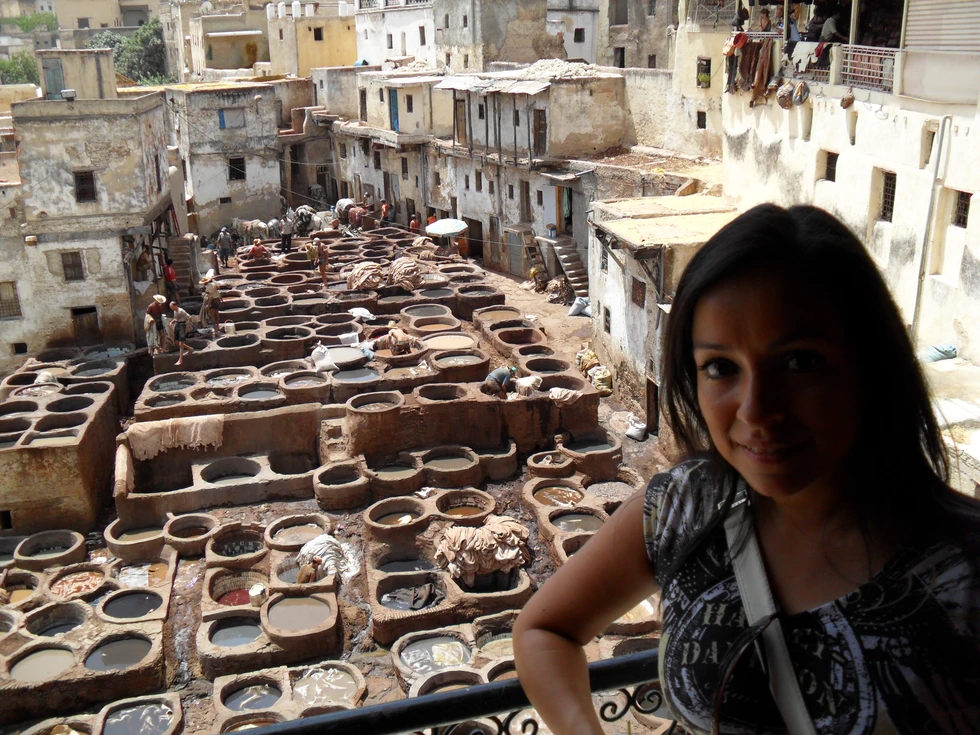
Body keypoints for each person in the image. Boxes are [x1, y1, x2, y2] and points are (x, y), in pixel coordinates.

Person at [513, 204, 980, 735]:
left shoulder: (964, 572)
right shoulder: (683, 510)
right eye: (721, 368)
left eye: (799, 362)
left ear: (870, 364)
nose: (757, 410)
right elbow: (543, 630)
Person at [169, 301, 195, 366]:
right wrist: (172, 322)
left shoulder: (181, 311)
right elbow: (176, 318)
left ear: (175, 306)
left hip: (182, 325)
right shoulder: (175, 311)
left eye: (171, 307)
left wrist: (187, 327)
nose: (171, 308)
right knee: (175, 342)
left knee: (181, 343)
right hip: (177, 325)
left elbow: (189, 317)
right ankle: (190, 348)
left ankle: (180, 360)